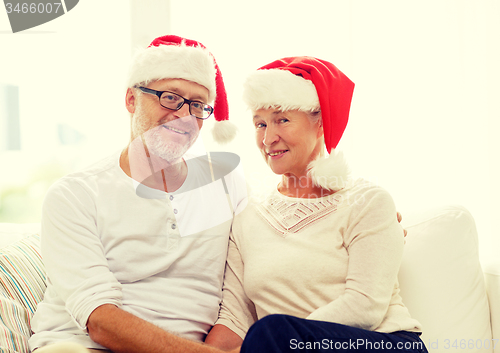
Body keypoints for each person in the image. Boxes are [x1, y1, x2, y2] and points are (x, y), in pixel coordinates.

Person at [28, 35, 246, 353]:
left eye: (197, 105)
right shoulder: (75, 194)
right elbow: (99, 320)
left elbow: (236, 303)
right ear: (131, 99)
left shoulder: (227, 184)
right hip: (82, 346)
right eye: (170, 98)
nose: (183, 115)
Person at [205, 56, 428, 352]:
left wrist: (282, 342)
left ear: (321, 123)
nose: (268, 138)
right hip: (278, 345)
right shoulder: (248, 216)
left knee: (274, 331)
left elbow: (365, 307)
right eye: (260, 124)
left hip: (384, 344)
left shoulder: (367, 201)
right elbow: (234, 319)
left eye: (282, 120)